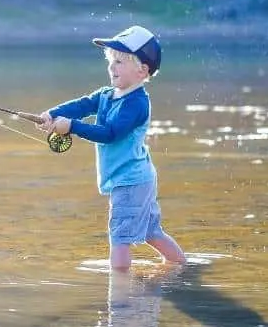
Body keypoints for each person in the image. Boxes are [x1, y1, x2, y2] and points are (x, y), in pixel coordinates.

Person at [35, 25, 186, 271]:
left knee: (119, 238)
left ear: (142, 70)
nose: (112, 67)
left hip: (130, 181)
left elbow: (110, 134)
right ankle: (181, 267)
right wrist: (52, 114)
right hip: (137, 179)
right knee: (150, 231)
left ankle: (120, 294)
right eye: (111, 60)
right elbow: (82, 106)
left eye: (119, 61)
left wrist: (71, 127)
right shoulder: (107, 95)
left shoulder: (136, 104)